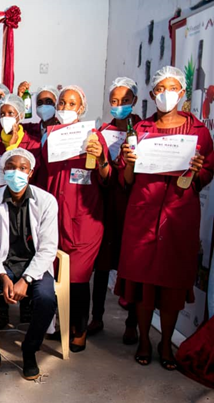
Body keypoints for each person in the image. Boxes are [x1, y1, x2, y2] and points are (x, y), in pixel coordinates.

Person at [115, 66, 213, 370]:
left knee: (171, 285)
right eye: (159, 89)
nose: (165, 94)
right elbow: (126, 179)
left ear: (182, 92)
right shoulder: (141, 130)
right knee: (145, 284)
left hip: (179, 216)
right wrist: (130, 162)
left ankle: (166, 342)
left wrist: (197, 169)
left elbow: (207, 173)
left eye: (172, 88)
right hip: (142, 215)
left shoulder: (198, 131)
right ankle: (145, 339)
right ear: (152, 93)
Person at [0, 148, 58, 379]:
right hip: (2, 264)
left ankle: (29, 351)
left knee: (47, 298)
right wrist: (4, 278)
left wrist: (26, 280)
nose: (16, 172)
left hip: (33, 265)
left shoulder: (47, 201)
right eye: (11, 167)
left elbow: (48, 248)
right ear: (3, 170)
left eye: (23, 168)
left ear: (31, 172)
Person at [41, 85, 110, 353]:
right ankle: (59, 324)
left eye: (72, 104)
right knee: (56, 276)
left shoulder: (92, 136)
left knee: (78, 279)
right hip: (55, 219)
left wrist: (100, 157)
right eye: (62, 103)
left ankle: (79, 330)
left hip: (84, 222)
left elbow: (107, 177)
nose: (66, 108)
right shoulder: (50, 137)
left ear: (82, 108)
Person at [88, 77, 141, 345]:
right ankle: (97, 316)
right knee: (101, 264)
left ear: (135, 101)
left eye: (125, 101)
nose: (119, 105)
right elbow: (97, 169)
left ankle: (131, 323)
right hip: (106, 204)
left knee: (131, 266)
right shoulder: (103, 131)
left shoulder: (144, 130)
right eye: (114, 101)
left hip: (135, 205)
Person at [0, 94, 42, 198]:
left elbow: (33, 177)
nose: (6, 118)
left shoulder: (33, 145)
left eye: (10, 113)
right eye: (2, 114)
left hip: (23, 201)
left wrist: (11, 148)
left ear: (21, 115)